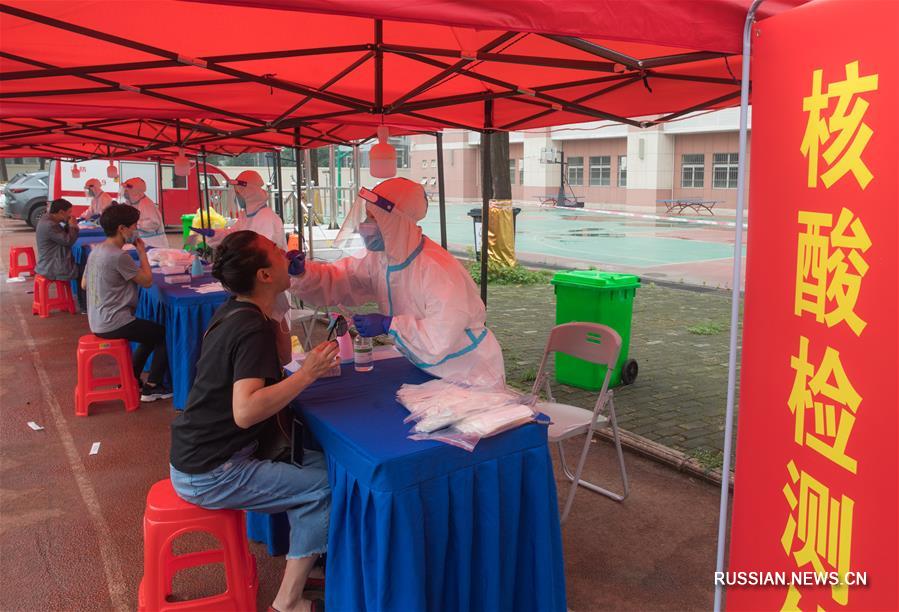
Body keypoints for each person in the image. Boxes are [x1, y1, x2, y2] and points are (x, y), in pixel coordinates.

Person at [170, 230, 338, 612]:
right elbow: (245, 411)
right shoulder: (247, 327)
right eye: (279, 254)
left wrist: (281, 295)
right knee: (326, 485)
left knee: (322, 466)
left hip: (206, 455)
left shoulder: (241, 309)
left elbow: (278, 356)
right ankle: (287, 603)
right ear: (263, 275)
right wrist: (307, 373)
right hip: (213, 471)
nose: (288, 255)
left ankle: (308, 556)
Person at [287, 177, 506, 389]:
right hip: (426, 366)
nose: (364, 225)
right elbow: (343, 279)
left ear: (393, 221)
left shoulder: (437, 269)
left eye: (373, 218)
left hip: (469, 372)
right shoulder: (382, 259)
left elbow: (440, 336)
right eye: (366, 217)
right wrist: (304, 273)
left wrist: (389, 325)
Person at [83, 204, 172, 402]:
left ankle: (130, 377)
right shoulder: (119, 255)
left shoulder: (96, 251)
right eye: (134, 226)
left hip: (98, 319)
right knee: (164, 334)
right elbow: (147, 281)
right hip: (114, 322)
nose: (136, 230)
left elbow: (83, 284)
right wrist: (141, 252)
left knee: (150, 335)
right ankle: (154, 386)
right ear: (122, 229)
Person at [191, 170, 286, 249]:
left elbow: (263, 251)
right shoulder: (246, 216)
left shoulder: (266, 218)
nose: (237, 197)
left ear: (249, 193)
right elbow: (234, 234)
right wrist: (214, 234)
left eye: (238, 193)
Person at [35, 198, 79, 281]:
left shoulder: (48, 219)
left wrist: (68, 224)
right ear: (61, 212)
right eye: (69, 212)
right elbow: (68, 241)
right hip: (52, 267)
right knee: (83, 270)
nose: (70, 215)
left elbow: (62, 234)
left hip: (48, 263)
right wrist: (73, 227)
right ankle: (81, 294)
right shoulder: (50, 225)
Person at [120, 177, 168, 248]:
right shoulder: (131, 202)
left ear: (135, 190)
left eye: (127, 190)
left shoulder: (147, 205)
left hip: (154, 245)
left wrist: (135, 224)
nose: (125, 192)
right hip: (142, 243)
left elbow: (154, 224)